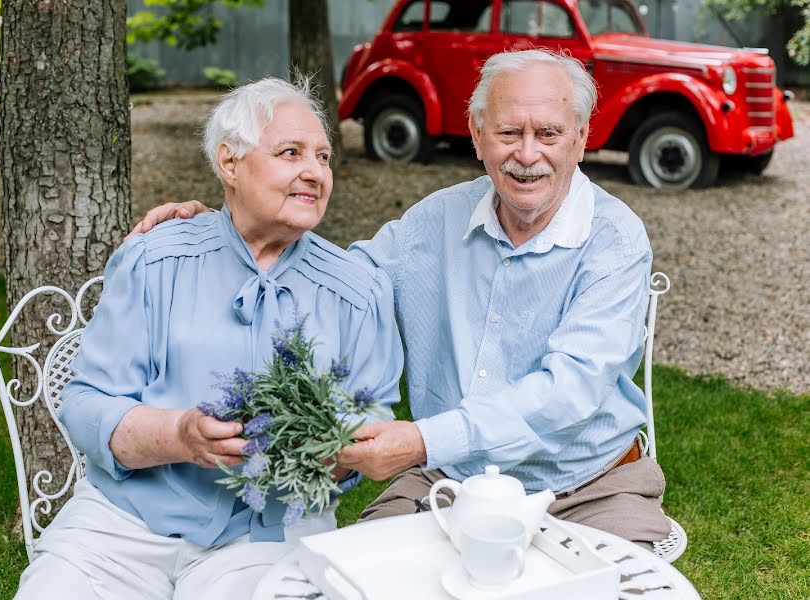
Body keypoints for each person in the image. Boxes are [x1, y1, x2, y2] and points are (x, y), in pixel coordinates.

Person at [132, 49, 672, 549]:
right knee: (363, 577)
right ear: (477, 135)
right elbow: (334, 279)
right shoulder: (435, 220)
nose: (527, 154)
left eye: (548, 134)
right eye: (509, 132)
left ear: (581, 138)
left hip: (588, 487)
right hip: (451, 481)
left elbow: (569, 391)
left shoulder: (616, 239)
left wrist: (420, 440)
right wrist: (232, 231)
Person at [14, 78, 403, 600]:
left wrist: (332, 452)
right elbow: (85, 406)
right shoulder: (156, 260)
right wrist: (180, 435)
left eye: (324, 157)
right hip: (123, 525)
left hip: (268, 534)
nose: (314, 172)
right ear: (229, 164)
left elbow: (370, 421)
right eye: (290, 153)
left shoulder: (357, 292)